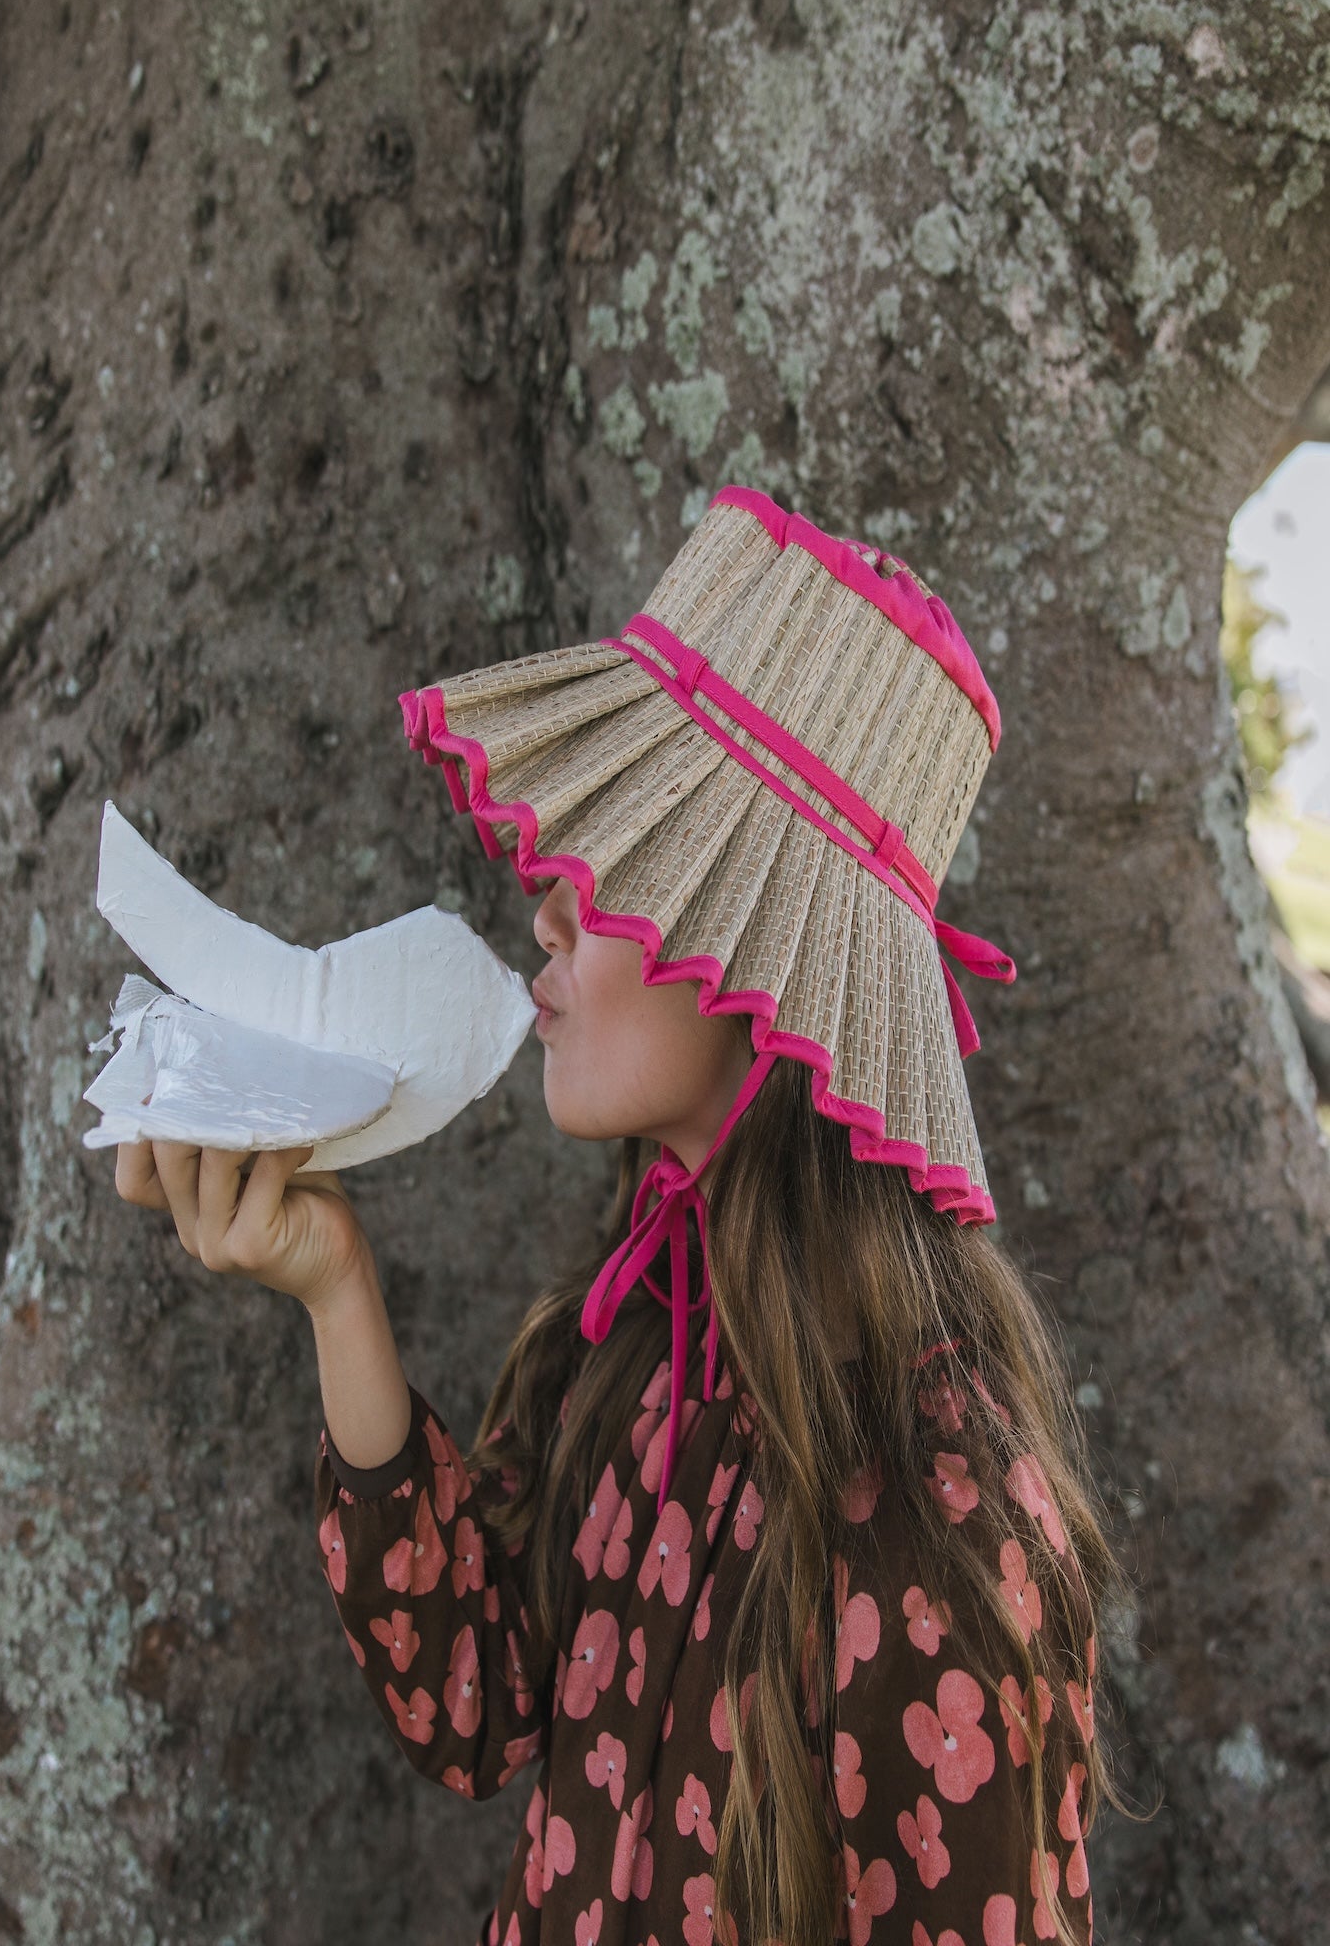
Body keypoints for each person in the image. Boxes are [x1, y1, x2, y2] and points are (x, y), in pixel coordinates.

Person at [114, 487, 1126, 1946]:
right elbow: (475, 1706)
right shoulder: (643, 1342)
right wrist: (334, 1287)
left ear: (754, 957)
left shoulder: (942, 1525)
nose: (547, 908)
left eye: (618, 862)